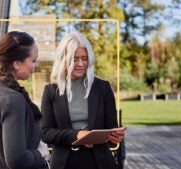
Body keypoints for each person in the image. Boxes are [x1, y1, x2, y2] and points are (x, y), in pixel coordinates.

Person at [41, 31, 126, 169]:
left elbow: (111, 128)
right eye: (75, 59)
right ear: (64, 59)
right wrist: (77, 135)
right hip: (64, 163)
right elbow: (46, 133)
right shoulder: (51, 91)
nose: (80, 64)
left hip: (100, 163)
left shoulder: (103, 88)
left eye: (84, 58)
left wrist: (114, 136)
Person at [0, 31, 49, 169]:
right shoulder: (12, 99)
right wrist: (40, 153)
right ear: (16, 64)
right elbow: (17, 160)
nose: (36, 65)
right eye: (33, 61)